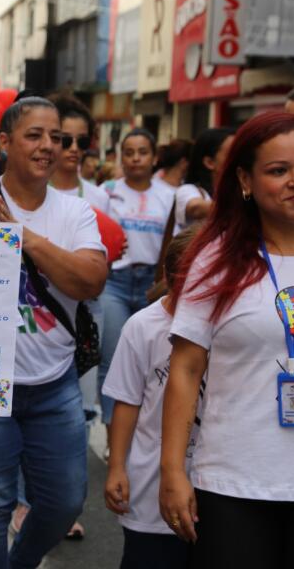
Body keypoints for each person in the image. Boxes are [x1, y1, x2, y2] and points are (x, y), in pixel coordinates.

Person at [160, 111, 294, 567]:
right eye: (278, 170)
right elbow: (185, 368)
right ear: (244, 180)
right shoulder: (215, 259)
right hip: (235, 482)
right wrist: (172, 471)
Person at [0, 97, 107, 568]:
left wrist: (25, 237)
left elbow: (90, 280)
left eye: (57, 137)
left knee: (63, 503)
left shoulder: (76, 213)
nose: (49, 145)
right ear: (5, 141)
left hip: (55, 387)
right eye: (34, 135)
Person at [103, 228, 197, 569]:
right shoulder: (142, 326)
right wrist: (117, 466)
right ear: (169, 277)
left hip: (211, 485)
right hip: (150, 486)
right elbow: (126, 401)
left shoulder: (227, 322)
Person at [47, 92, 109, 540]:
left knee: (81, 406)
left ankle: (61, 505)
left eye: (79, 141)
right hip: (35, 320)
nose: (70, 149)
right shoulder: (21, 194)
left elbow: (100, 265)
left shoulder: (97, 196)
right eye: (61, 139)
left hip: (84, 314)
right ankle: (28, 502)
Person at [97, 129, 173, 434]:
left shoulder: (169, 195)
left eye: (142, 152)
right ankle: (112, 435)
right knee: (112, 358)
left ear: (154, 158)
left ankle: (146, 432)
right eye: (128, 152)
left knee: (154, 359)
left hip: (153, 285)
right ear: (121, 157)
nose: (135, 158)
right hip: (114, 282)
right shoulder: (106, 192)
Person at [174, 128, 235, 232]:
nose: (239, 158)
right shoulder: (188, 190)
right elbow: (196, 208)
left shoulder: (244, 191)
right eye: (232, 154)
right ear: (209, 162)